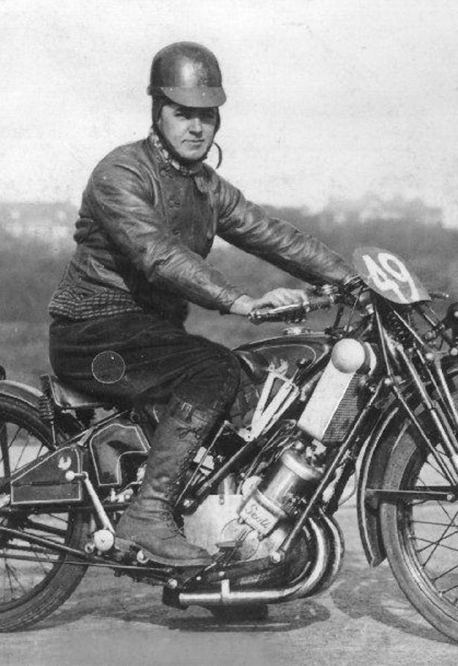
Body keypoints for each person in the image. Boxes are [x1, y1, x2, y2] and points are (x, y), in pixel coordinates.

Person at [48, 41, 353, 567]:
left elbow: (270, 234)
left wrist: (353, 279)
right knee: (212, 371)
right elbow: (159, 255)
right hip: (94, 330)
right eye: (182, 113)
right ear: (157, 112)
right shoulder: (120, 174)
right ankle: (148, 515)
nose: (196, 127)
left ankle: (233, 554)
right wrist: (240, 301)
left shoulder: (206, 187)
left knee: (258, 393)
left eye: (206, 115)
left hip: (149, 335)